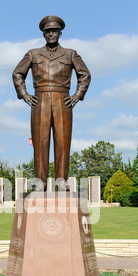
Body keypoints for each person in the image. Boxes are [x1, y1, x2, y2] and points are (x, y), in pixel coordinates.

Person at [12, 15, 91, 190]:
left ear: (60, 33)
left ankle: (61, 181)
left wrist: (77, 95)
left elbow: (85, 75)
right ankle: (40, 183)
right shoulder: (32, 54)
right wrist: (24, 94)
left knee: (63, 143)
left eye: (54, 31)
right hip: (39, 101)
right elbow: (17, 74)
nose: (51, 34)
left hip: (63, 101)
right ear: (43, 34)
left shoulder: (71, 54)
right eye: (47, 32)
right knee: (41, 143)